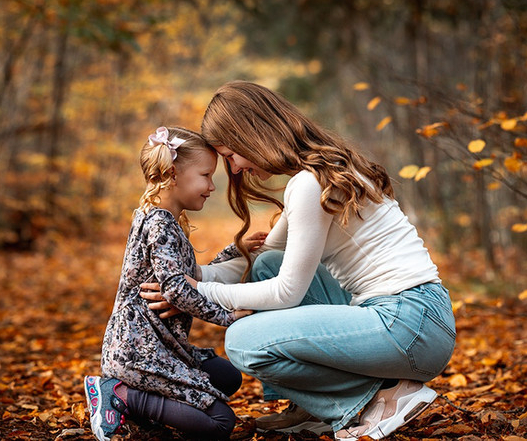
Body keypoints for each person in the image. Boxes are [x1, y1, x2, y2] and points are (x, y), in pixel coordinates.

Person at [144, 81, 456, 440]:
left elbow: (288, 292)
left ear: (253, 136)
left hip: (409, 322)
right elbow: (260, 260)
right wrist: (180, 277)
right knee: (267, 265)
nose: (234, 168)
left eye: (231, 155)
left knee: (244, 342)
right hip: (418, 320)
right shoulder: (315, 175)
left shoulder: (309, 184)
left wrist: (205, 292)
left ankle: (380, 400)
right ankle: (311, 407)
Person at [83, 126, 263, 441]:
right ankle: (123, 396)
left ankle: (141, 407)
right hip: (140, 352)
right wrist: (227, 316)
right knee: (221, 423)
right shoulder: (158, 224)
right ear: (172, 173)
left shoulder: (160, 218)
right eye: (206, 175)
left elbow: (190, 276)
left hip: (158, 345)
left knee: (228, 378)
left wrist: (238, 251)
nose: (211, 186)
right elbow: (178, 289)